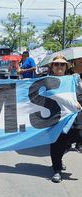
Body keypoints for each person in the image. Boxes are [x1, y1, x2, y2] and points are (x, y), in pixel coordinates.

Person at [49, 54, 82, 183]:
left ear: (66, 66)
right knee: (57, 143)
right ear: (52, 67)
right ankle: (57, 169)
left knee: (78, 136)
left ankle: (65, 149)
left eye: (62, 64)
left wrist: (79, 102)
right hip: (54, 118)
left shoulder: (73, 79)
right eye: (56, 64)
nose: (59, 66)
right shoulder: (45, 80)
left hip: (73, 117)